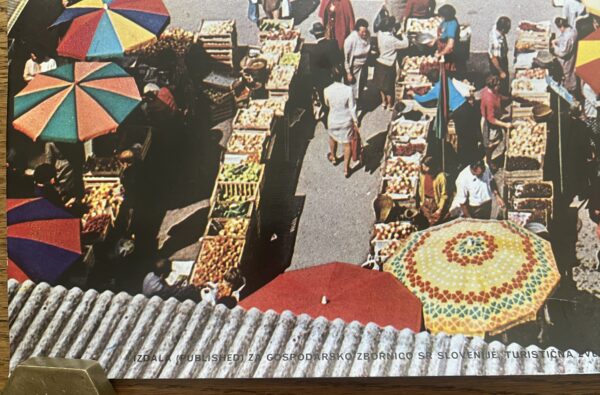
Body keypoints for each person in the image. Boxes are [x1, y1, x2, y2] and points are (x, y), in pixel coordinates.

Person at [324, 74, 359, 177]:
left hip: (333, 120)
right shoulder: (348, 90)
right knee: (347, 144)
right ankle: (346, 169)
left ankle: (333, 157)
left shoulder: (326, 90)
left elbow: (327, 104)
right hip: (346, 120)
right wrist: (356, 121)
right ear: (342, 78)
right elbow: (352, 108)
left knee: (332, 138)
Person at [308, 22, 343, 116]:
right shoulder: (333, 43)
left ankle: (328, 115)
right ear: (324, 32)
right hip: (335, 76)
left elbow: (313, 69)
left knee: (325, 101)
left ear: (315, 35)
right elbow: (339, 58)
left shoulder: (314, 51)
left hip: (322, 80)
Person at [374, 16, 409, 110]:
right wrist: (403, 34)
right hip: (389, 64)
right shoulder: (392, 40)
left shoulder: (380, 34)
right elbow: (405, 44)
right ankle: (390, 104)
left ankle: (383, 102)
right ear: (390, 27)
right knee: (389, 87)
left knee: (381, 85)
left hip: (380, 62)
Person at [480, 75, 512, 170]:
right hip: (489, 124)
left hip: (495, 118)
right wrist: (505, 124)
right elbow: (491, 119)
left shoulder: (491, 91)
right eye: (497, 85)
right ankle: (488, 161)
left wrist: (507, 98)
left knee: (498, 139)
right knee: (491, 143)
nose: (499, 86)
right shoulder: (488, 99)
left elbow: (498, 96)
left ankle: (488, 158)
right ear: (492, 86)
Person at [343, 19, 371, 105]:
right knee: (353, 88)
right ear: (357, 30)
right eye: (362, 32)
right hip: (354, 68)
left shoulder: (367, 35)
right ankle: (352, 105)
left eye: (365, 31)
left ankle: (359, 101)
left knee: (362, 84)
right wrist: (348, 73)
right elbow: (346, 58)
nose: (364, 34)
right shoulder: (350, 40)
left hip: (364, 66)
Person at [417, 156, 449, 226]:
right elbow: (420, 188)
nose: (424, 168)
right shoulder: (422, 174)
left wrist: (440, 209)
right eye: (423, 166)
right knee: (425, 222)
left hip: (435, 203)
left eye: (426, 166)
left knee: (435, 224)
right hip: (425, 202)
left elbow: (444, 195)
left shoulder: (440, 177)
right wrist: (422, 202)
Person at [552, 17, 578, 94]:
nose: (560, 30)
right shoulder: (572, 30)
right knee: (570, 73)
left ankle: (570, 93)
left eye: (560, 28)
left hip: (567, 61)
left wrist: (554, 47)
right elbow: (563, 39)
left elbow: (563, 52)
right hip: (572, 57)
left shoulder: (568, 36)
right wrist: (557, 41)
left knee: (568, 75)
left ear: (562, 27)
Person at [488, 17, 511, 96]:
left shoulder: (496, 28)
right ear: (503, 30)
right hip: (498, 62)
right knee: (501, 82)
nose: (509, 30)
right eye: (508, 28)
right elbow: (494, 58)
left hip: (501, 56)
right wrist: (501, 71)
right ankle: (502, 98)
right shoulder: (497, 43)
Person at [435, 4, 460, 72]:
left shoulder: (452, 25)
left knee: (446, 70)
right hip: (442, 47)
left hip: (448, 55)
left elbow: (450, 45)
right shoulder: (446, 20)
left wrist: (440, 54)